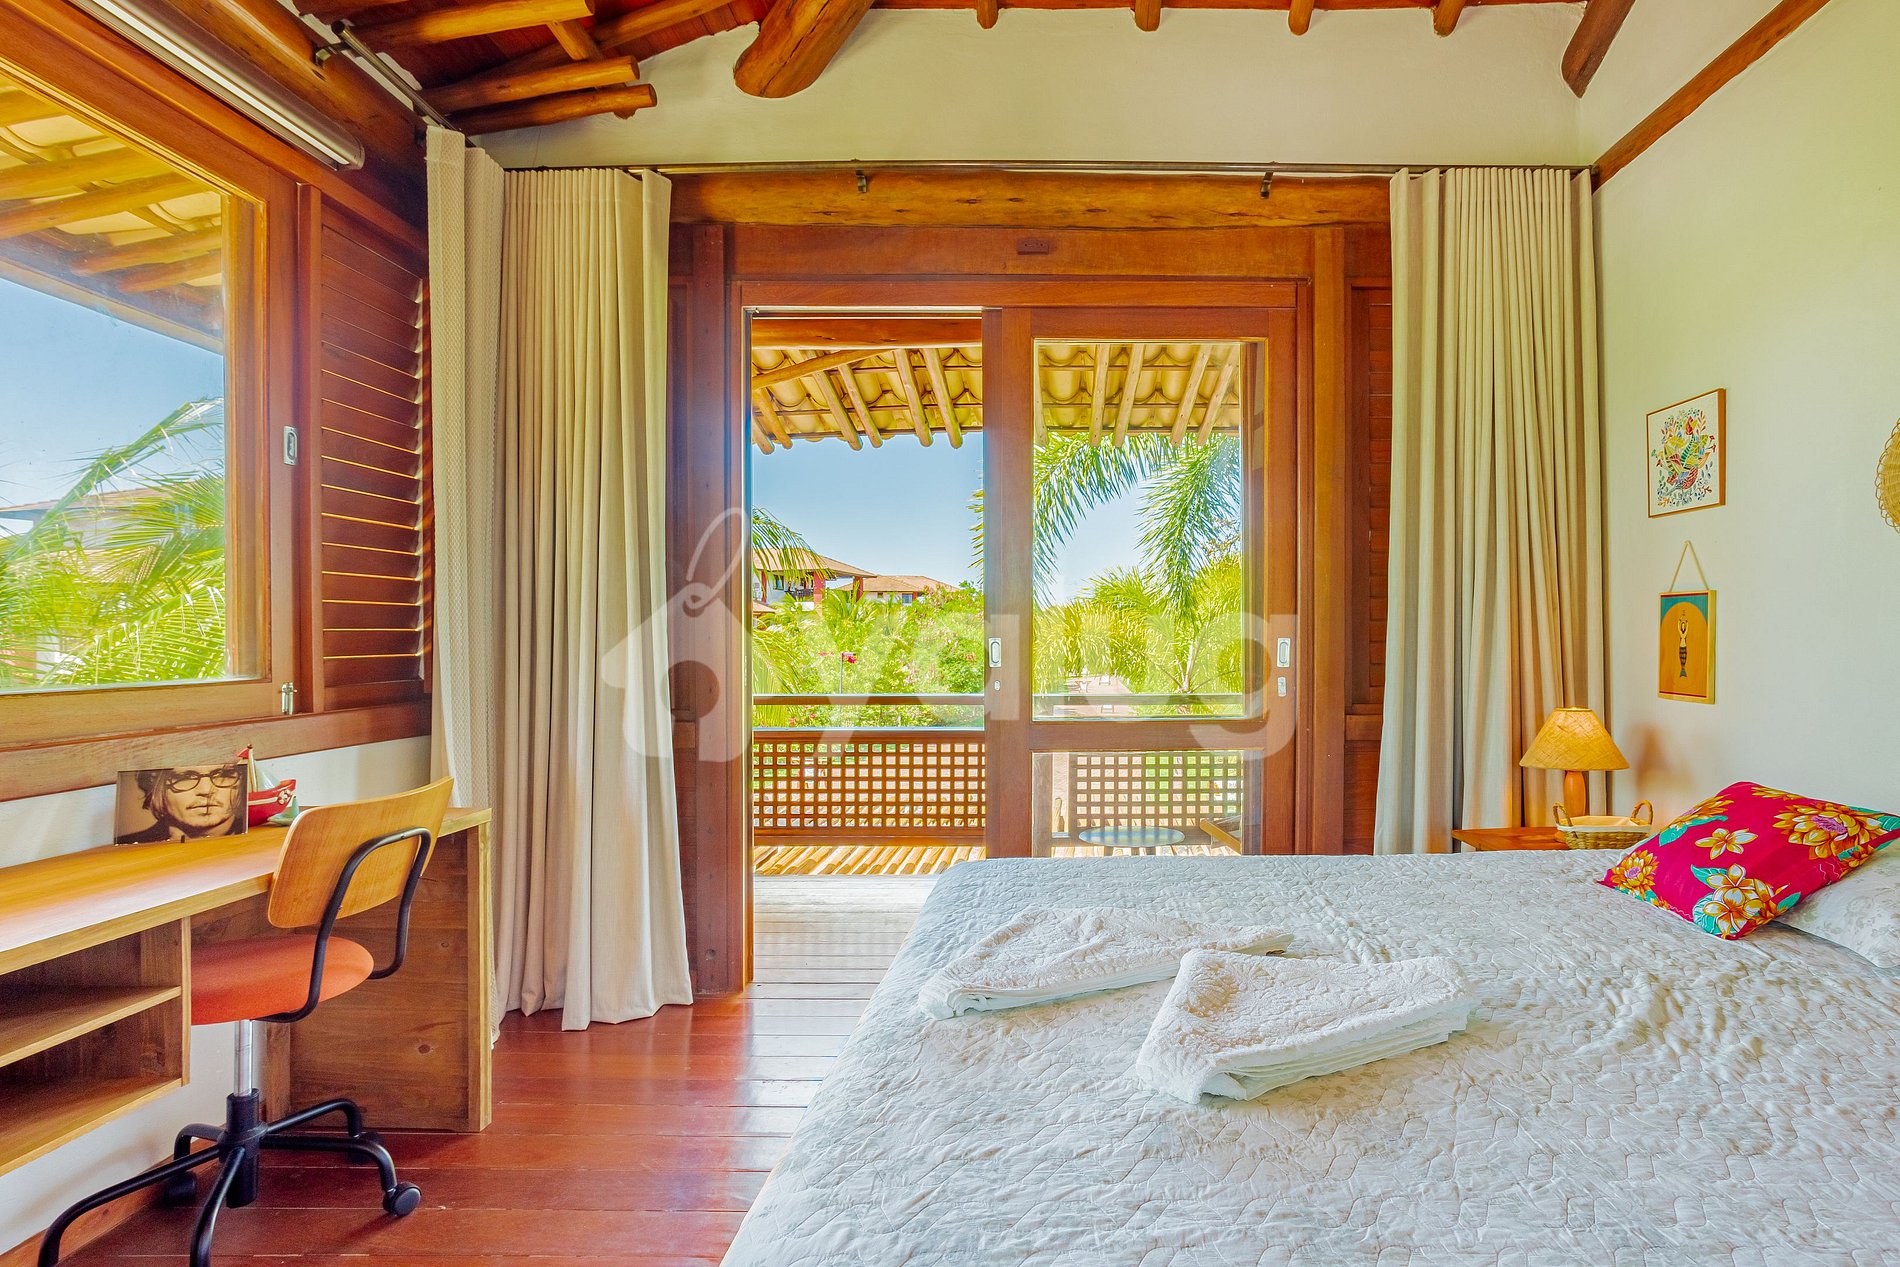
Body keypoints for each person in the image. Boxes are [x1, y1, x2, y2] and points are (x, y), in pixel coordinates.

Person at [117, 764, 246, 843]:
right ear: (155, 787)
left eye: (223, 775)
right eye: (185, 778)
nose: (206, 791)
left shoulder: (254, 842)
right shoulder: (127, 848)